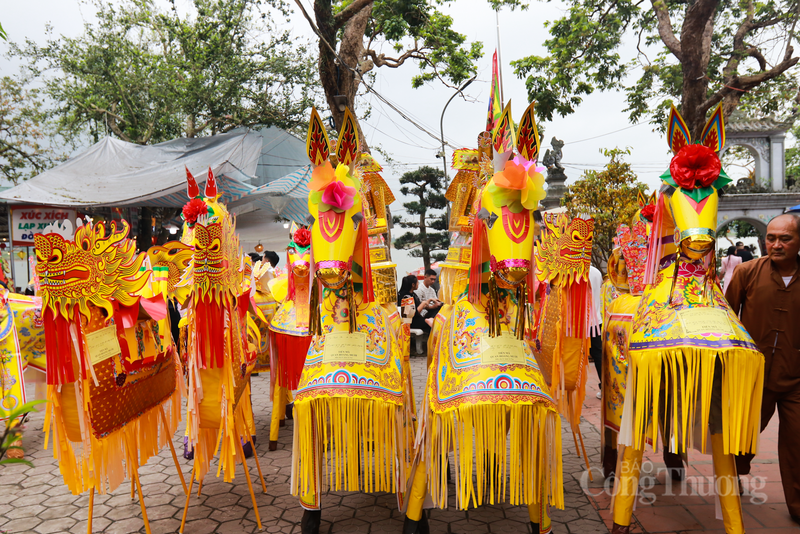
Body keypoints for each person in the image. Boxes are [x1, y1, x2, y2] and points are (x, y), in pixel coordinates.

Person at [726, 213, 800, 521]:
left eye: (785, 239)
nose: (776, 244)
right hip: (753, 374)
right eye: (771, 238)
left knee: (797, 442)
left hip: (796, 377)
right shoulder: (746, 272)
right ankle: (734, 479)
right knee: (742, 438)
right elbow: (726, 318)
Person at [588, 265, 603, 400]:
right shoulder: (596, 272)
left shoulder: (574, 272)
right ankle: (604, 386)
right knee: (598, 354)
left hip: (579, 322)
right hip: (595, 321)